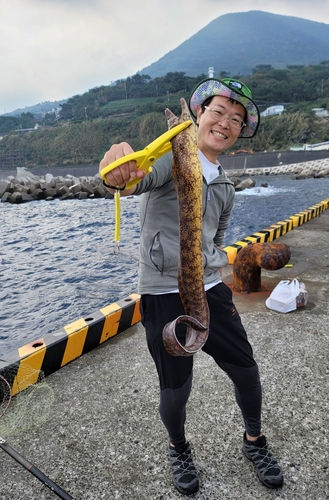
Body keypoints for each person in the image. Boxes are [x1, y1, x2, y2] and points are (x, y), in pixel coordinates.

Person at [99, 78, 283, 495]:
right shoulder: (169, 159)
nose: (226, 122)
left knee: (247, 371)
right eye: (217, 112)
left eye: (236, 119)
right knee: (177, 388)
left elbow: (217, 237)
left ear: (239, 132)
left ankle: (254, 442)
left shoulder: (225, 185)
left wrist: (214, 268)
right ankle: (178, 447)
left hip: (209, 288)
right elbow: (128, 180)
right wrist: (115, 167)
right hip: (163, 293)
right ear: (199, 117)